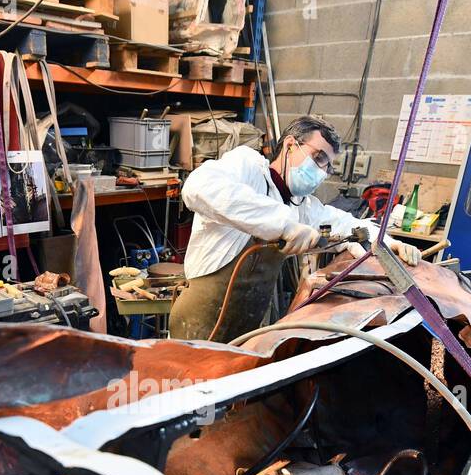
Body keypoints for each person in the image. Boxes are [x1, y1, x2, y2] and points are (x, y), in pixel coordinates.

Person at [171, 115, 421, 341]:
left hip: (245, 327)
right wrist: (284, 225)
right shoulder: (247, 166)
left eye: (328, 167)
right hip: (197, 323)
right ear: (290, 145)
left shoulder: (303, 207)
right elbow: (198, 187)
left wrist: (388, 242)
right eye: (318, 158)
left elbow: (347, 224)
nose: (322, 172)